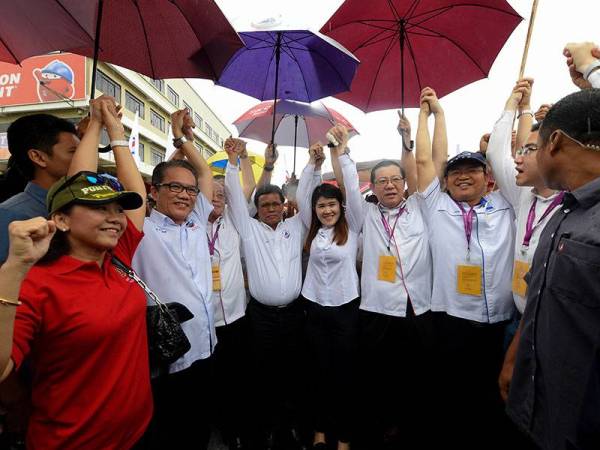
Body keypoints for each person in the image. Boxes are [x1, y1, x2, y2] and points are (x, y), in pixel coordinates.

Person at [0, 95, 149, 450]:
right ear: (61, 219)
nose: (115, 217)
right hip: (73, 440)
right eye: (99, 208)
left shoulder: (117, 254)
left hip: (137, 432)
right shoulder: (36, 282)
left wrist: (111, 129)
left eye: (117, 208)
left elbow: (133, 195)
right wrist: (13, 268)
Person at [415, 87, 515, 449]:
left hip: (499, 322)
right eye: (455, 172)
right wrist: (431, 116)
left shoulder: (507, 204)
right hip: (452, 320)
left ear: (487, 175)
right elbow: (426, 162)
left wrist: (515, 111)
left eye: (472, 169)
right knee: (452, 399)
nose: (462, 176)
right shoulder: (436, 208)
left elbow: (508, 160)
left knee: (495, 400)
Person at [331, 116, 435, 449]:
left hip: (417, 309)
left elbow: (418, 166)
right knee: (377, 380)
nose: (389, 186)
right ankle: (378, 432)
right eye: (382, 181)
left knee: (416, 379)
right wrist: (344, 153)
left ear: (405, 184)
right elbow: (348, 185)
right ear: (373, 187)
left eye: (395, 180)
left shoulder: (422, 208)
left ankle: (412, 430)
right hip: (377, 311)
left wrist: (407, 139)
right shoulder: (366, 215)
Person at [507, 88, 600, 450]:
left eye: (532, 147)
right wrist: (514, 359)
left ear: (555, 142)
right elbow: (540, 297)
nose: (522, 157)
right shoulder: (565, 214)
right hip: (538, 408)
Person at [224, 139, 321, 450]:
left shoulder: (296, 226)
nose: (269, 209)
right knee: (264, 376)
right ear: (258, 209)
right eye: (264, 205)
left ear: (283, 206)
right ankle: (265, 430)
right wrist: (233, 161)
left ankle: (291, 430)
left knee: (294, 373)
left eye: (275, 204)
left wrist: (311, 166)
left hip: (294, 315)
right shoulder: (248, 229)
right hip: (261, 317)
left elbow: (306, 198)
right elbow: (236, 201)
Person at [131, 109, 215, 450]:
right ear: (153, 191)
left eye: (191, 190)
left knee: (200, 429)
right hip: (167, 357)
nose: (185, 195)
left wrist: (182, 139)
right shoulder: (139, 230)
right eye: (175, 188)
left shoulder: (197, 222)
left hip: (206, 346)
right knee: (170, 433)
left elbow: (205, 172)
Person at [487, 79, 563, 405]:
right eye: (518, 151)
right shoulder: (522, 195)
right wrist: (514, 104)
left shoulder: (574, 201)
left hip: (554, 329)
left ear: (552, 152)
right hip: (517, 323)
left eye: (528, 150)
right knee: (512, 404)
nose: (517, 158)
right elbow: (495, 150)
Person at [296, 138, 359, 450]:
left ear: (340, 207)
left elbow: (354, 190)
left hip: (346, 310)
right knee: (319, 372)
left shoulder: (353, 226)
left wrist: (343, 153)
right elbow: (303, 194)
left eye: (332, 204)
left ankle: (345, 436)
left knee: (344, 376)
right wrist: (313, 164)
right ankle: (320, 432)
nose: (327, 209)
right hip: (315, 311)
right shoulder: (312, 228)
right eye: (321, 205)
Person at [209, 138, 254, 450]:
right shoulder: (194, 225)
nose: (217, 200)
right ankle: (221, 427)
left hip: (237, 315)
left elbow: (241, 191)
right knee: (215, 380)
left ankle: (239, 427)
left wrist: (237, 160)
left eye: (221, 196)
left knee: (239, 378)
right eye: (210, 195)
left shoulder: (235, 223)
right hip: (207, 319)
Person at [0, 114, 79, 263]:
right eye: (73, 151)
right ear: (39, 157)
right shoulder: (10, 215)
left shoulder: (81, 207)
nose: (84, 157)